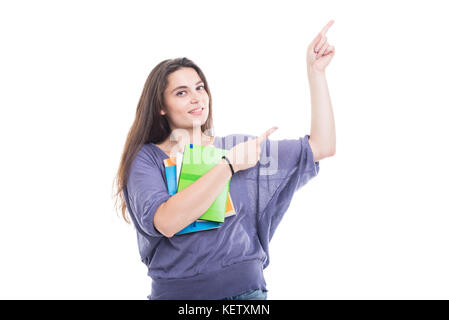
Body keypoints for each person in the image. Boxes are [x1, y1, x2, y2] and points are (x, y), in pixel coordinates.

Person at [113, 21, 336, 300]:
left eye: (199, 88)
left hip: (246, 295)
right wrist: (228, 166)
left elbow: (322, 146)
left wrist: (315, 73)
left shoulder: (239, 148)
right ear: (160, 105)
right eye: (181, 92)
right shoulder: (147, 159)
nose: (196, 98)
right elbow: (166, 221)